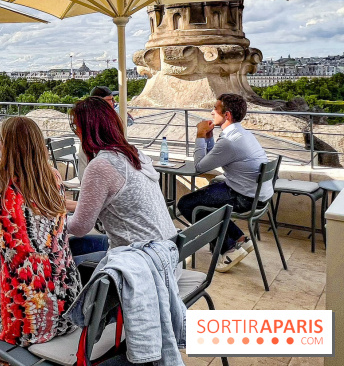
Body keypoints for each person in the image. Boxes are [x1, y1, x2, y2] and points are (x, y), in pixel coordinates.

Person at [0, 116, 81, 365]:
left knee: (10, 280)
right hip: (69, 299)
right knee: (11, 280)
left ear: (5, 145)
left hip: (27, 311)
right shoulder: (54, 176)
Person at [65, 97, 177, 265]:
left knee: (62, 266)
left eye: (75, 127)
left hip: (143, 264)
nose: (76, 133)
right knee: (74, 245)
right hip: (167, 253)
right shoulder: (133, 155)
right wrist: (64, 205)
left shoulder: (101, 165)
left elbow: (79, 227)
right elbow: (115, 205)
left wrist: (48, 218)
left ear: (86, 129)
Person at [177, 93, 269, 272]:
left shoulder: (229, 141)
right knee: (210, 192)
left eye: (215, 109)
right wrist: (209, 137)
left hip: (245, 198)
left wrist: (200, 135)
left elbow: (199, 167)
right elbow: (214, 157)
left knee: (186, 204)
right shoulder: (242, 133)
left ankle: (229, 248)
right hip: (257, 194)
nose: (212, 112)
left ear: (227, 115)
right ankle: (239, 238)